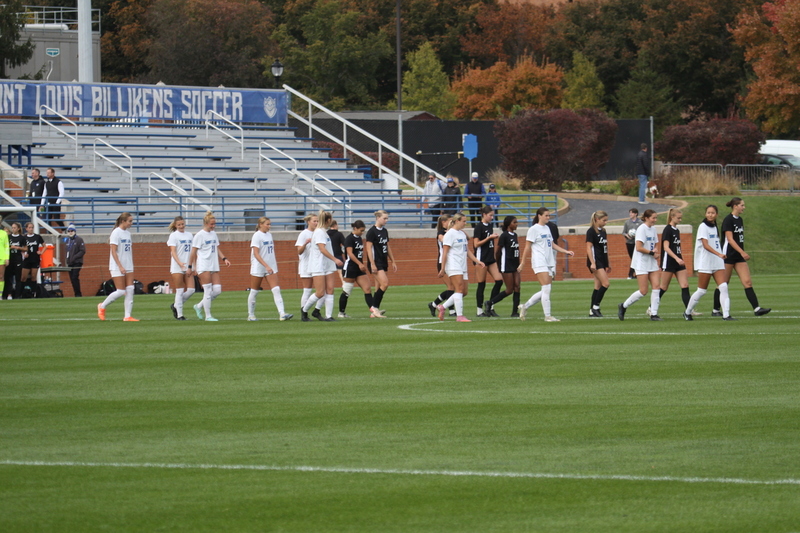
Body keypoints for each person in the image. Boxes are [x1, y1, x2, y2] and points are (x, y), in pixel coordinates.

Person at [711, 197, 771, 317]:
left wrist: (741, 253)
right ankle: (716, 310)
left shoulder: (740, 220)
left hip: (738, 257)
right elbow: (730, 239)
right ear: (735, 206)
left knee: (747, 282)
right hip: (728, 256)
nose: (744, 207)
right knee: (723, 283)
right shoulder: (728, 220)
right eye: (742, 205)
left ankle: (757, 309)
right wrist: (742, 252)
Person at [517, 207, 575, 322]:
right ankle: (547, 316)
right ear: (539, 216)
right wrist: (523, 262)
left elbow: (552, 244)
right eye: (546, 215)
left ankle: (525, 306)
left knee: (546, 289)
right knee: (546, 288)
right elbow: (527, 247)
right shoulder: (533, 229)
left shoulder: (547, 228)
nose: (548, 217)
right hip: (539, 261)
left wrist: (565, 251)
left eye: (549, 215)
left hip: (548, 262)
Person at [684, 205, 734, 321]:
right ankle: (687, 312)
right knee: (701, 291)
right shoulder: (703, 226)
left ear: (716, 214)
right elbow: (705, 245)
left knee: (724, 287)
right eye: (708, 213)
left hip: (717, 262)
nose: (710, 215)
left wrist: (720, 256)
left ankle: (726, 315)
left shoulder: (715, 227)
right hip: (706, 262)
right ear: (705, 214)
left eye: (712, 213)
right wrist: (719, 254)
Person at [437, 213, 484, 322]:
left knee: (464, 292)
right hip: (453, 265)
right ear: (457, 221)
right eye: (463, 221)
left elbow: (466, 250)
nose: (465, 223)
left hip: (462, 265)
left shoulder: (461, 234)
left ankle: (442, 307)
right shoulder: (450, 234)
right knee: (458, 289)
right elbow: (445, 252)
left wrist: (477, 261)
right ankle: (460, 316)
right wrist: (443, 268)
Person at [618, 209, 662, 321]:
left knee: (656, 287)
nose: (655, 220)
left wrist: (656, 249)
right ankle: (623, 306)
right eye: (653, 218)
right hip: (641, 262)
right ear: (646, 218)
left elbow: (656, 242)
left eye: (656, 218)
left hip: (651, 262)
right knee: (643, 291)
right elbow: (639, 247)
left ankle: (654, 314)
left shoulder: (653, 229)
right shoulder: (642, 229)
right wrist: (652, 253)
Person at [248, 217, 293, 322]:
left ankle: (282, 313)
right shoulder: (256, 236)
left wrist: (270, 266)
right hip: (258, 266)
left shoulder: (269, 235)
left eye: (270, 224)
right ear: (261, 224)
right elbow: (256, 253)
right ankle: (251, 315)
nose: (269, 226)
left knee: (276, 289)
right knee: (254, 291)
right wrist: (265, 265)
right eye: (267, 224)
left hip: (271, 266)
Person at [189, 211, 231, 322]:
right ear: (206, 223)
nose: (213, 226)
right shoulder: (199, 235)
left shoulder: (213, 234)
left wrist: (224, 258)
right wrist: (191, 266)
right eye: (211, 224)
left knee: (217, 290)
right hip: (204, 264)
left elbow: (216, 248)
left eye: (214, 224)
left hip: (214, 264)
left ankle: (198, 306)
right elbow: (193, 252)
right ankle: (208, 316)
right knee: (207, 290)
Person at [301, 209, 342, 321]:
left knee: (330, 289)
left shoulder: (323, 232)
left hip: (327, 264)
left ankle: (328, 315)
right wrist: (335, 259)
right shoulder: (319, 232)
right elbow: (322, 249)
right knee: (320, 292)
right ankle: (304, 311)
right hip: (318, 265)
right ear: (328, 220)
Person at [97, 213, 138, 321]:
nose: (131, 223)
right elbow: (113, 251)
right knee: (120, 291)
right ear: (123, 221)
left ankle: (127, 316)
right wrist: (120, 266)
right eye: (129, 221)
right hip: (117, 266)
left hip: (129, 265)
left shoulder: (128, 234)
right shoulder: (116, 233)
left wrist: (128, 264)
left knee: (130, 289)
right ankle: (102, 306)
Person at [339, 220, 382, 318]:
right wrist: (359, 263)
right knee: (347, 291)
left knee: (367, 289)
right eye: (361, 230)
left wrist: (360, 264)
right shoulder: (349, 239)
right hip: (350, 267)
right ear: (355, 229)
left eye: (363, 231)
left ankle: (374, 310)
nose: (362, 233)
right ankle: (341, 312)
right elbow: (350, 253)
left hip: (359, 268)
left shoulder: (359, 238)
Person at [656, 208, 694, 315]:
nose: (680, 220)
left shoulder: (676, 230)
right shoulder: (667, 229)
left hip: (678, 262)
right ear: (672, 217)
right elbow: (666, 247)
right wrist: (676, 258)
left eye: (681, 218)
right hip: (669, 262)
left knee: (685, 285)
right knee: (663, 287)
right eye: (678, 218)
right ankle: (651, 308)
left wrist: (679, 258)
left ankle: (689, 310)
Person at [483, 215, 521, 317]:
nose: (516, 224)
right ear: (509, 224)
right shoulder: (504, 236)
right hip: (506, 264)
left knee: (517, 286)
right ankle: (490, 302)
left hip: (515, 265)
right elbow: (498, 252)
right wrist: (499, 266)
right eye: (514, 222)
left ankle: (515, 312)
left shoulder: (515, 235)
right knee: (509, 290)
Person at [365, 210, 396, 314]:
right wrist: (372, 263)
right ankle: (374, 307)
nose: (386, 220)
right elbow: (368, 248)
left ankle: (375, 310)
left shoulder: (384, 231)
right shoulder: (372, 232)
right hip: (376, 262)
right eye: (384, 218)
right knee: (385, 283)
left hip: (383, 261)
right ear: (378, 218)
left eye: (387, 218)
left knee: (378, 287)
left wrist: (393, 261)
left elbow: (387, 246)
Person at [473, 206, 502, 317]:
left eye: (492, 215)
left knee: (499, 280)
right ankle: (479, 311)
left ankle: (491, 305)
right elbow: (476, 244)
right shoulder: (478, 227)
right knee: (481, 284)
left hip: (490, 258)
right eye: (490, 215)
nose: (492, 217)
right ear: (484, 215)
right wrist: (489, 238)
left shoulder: (490, 225)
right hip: (481, 259)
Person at [427, 214, 457, 317]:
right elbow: (443, 239)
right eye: (450, 221)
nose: (452, 223)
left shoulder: (452, 232)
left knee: (452, 287)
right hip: (442, 262)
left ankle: (434, 304)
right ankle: (452, 311)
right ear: (444, 222)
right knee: (451, 287)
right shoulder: (441, 233)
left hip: (451, 262)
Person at [167, 216, 195, 320]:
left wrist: (193, 265)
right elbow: (173, 252)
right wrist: (179, 263)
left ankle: (175, 305)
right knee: (180, 290)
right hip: (177, 266)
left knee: (191, 290)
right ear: (175, 225)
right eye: (179, 225)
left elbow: (193, 252)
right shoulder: (173, 236)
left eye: (182, 224)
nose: (181, 226)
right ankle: (180, 314)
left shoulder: (189, 235)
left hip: (188, 266)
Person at [585, 211, 610, 317]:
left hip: (602, 260)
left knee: (597, 286)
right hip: (596, 261)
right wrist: (592, 263)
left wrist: (608, 262)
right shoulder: (591, 231)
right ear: (597, 219)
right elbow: (589, 247)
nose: (605, 222)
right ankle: (596, 307)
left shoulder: (603, 231)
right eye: (604, 220)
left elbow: (605, 248)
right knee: (606, 284)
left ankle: (592, 310)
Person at [295, 213, 318, 312]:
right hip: (306, 264)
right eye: (314, 221)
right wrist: (305, 243)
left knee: (321, 290)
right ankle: (304, 311)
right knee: (307, 289)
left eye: (317, 221)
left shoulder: (318, 233)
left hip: (316, 265)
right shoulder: (304, 234)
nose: (316, 223)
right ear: (308, 222)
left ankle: (317, 310)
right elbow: (299, 251)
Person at [16, 222, 44, 299]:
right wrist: (23, 254)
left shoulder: (37, 237)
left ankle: (33, 293)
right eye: (29, 227)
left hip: (35, 259)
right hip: (27, 259)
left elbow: (45, 246)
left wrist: (41, 252)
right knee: (23, 277)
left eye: (32, 227)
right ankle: (21, 293)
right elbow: (21, 248)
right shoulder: (24, 238)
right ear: (26, 229)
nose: (31, 229)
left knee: (33, 276)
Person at [3, 222, 25, 300]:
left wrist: (17, 247)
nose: (13, 229)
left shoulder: (22, 238)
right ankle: (9, 294)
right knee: (8, 277)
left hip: (18, 260)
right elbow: (5, 246)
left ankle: (17, 295)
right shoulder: (8, 237)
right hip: (10, 259)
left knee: (18, 278)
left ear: (18, 228)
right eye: (12, 227)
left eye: (14, 227)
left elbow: (26, 248)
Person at [64, 224, 85, 297]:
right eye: (69, 231)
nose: (70, 232)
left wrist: (75, 257)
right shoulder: (68, 240)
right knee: (72, 279)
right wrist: (68, 259)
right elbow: (67, 251)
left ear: (75, 231)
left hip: (77, 262)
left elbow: (82, 251)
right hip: (70, 262)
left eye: (72, 230)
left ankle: (78, 293)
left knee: (74, 277)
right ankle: (76, 292)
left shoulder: (79, 239)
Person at [622, 208, 642, 279]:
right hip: (629, 243)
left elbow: (642, 232)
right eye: (630, 213)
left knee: (635, 258)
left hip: (637, 243)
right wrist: (627, 235)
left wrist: (637, 235)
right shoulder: (627, 222)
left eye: (632, 213)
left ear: (636, 214)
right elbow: (624, 232)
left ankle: (631, 274)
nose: (630, 214)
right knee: (633, 258)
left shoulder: (640, 222)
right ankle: (634, 274)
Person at [0, 217, 8, 299]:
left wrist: (7, 258)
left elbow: (6, 246)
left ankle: (0, 295)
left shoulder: (3, 233)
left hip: (1, 257)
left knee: (1, 276)